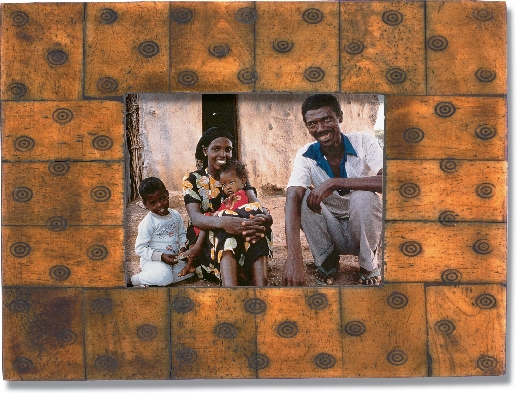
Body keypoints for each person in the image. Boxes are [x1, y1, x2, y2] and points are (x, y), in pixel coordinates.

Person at [282, 94, 383, 286]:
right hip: (331, 230)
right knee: (301, 198)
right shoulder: (306, 155)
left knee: (364, 197)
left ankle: (368, 263)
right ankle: (327, 259)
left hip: (361, 228)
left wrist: (336, 182)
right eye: (312, 124)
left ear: (340, 117)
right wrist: (294, 258)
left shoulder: (364, 142)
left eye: (327, 119)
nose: (320, 129)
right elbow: (292, 196)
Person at [180, 126, 272, 286]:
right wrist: (225, 223)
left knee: (255, 219)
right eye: (216, 149)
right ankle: (230, 291)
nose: (223, 154)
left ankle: (262, 290)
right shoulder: (193, 179)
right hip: (207, 240)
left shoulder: (238, 178)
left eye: (228, 150)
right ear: (205, 150)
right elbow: (195, 218)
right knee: (224, 227)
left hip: (242, 231)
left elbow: (255, 204)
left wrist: (263, 219)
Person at [130, 177, 195, 287]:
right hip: (154, 261)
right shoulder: (148, 222)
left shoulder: (176, 216)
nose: (160, 205)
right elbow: (140, 248)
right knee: (165, 276)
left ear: (167, 194)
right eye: (153, 203)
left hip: (173, 259)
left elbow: (182, 234)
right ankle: (135, 279)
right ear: (146, 205)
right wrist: (161, 257)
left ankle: (155, 279)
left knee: (191, 270)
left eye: (162, 198)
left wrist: (182, 247)